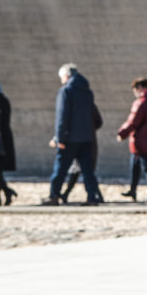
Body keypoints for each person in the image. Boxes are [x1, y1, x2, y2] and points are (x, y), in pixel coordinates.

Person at [43, 63, 101, 207]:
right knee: (88, 170)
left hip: (69, 138)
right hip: (86, 137)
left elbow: (62, 116)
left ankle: (54, 195)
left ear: (66, 76)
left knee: (60, 169)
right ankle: (92, 197)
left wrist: (60, 138)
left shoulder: (65, 91)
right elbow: (93, 115)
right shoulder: (88, 92)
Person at [117, 78, 147, 202]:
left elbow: (133, 121)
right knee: (136, 165)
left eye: (135, 89)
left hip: (140, 140)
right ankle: (133, 190)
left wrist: (122, 133)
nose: (135, 92)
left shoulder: (141, 102)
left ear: (140, 88)